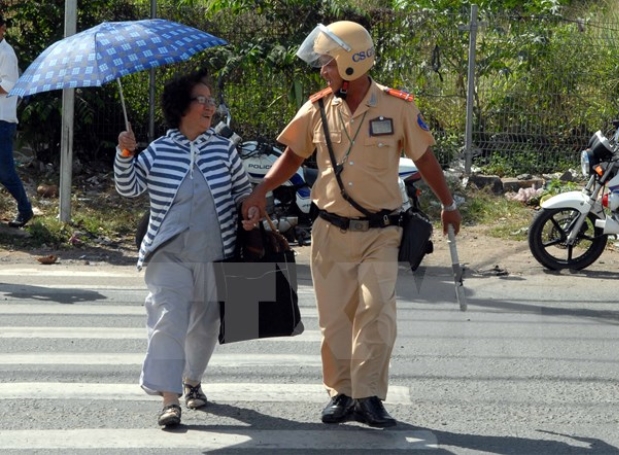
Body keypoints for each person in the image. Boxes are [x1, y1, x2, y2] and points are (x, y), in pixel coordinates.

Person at [241, 21, 462, 428]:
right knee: (336, 318)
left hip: (381, 232)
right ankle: (342, 394)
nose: (322, 70)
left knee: (376, 312)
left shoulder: (398, 107)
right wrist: (262, 191)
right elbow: (293, 155)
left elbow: (426, 159)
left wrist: (448, 203)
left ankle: (369, 395)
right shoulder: (318, 107)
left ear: (349, 64)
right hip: (329, 231)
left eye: (327, 63)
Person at [114, 68, 252, 427]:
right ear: (180, 107)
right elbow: (128, 189)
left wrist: (251, 211)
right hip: (168, 256)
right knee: (167, 322)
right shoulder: (158, 151)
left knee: (206, 326)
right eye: (201, 100)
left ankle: (192, 381)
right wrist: (125, 154)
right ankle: (169, 398)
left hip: (215, 254)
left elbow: (242, 192)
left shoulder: (224, 150)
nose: (210, 107)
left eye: (211, 101)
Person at [0, 15, 33, 228]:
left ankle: (25, 209)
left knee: (5, 171)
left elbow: (8, 85)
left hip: (2, 120)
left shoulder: (6, 53)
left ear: (2, 28)